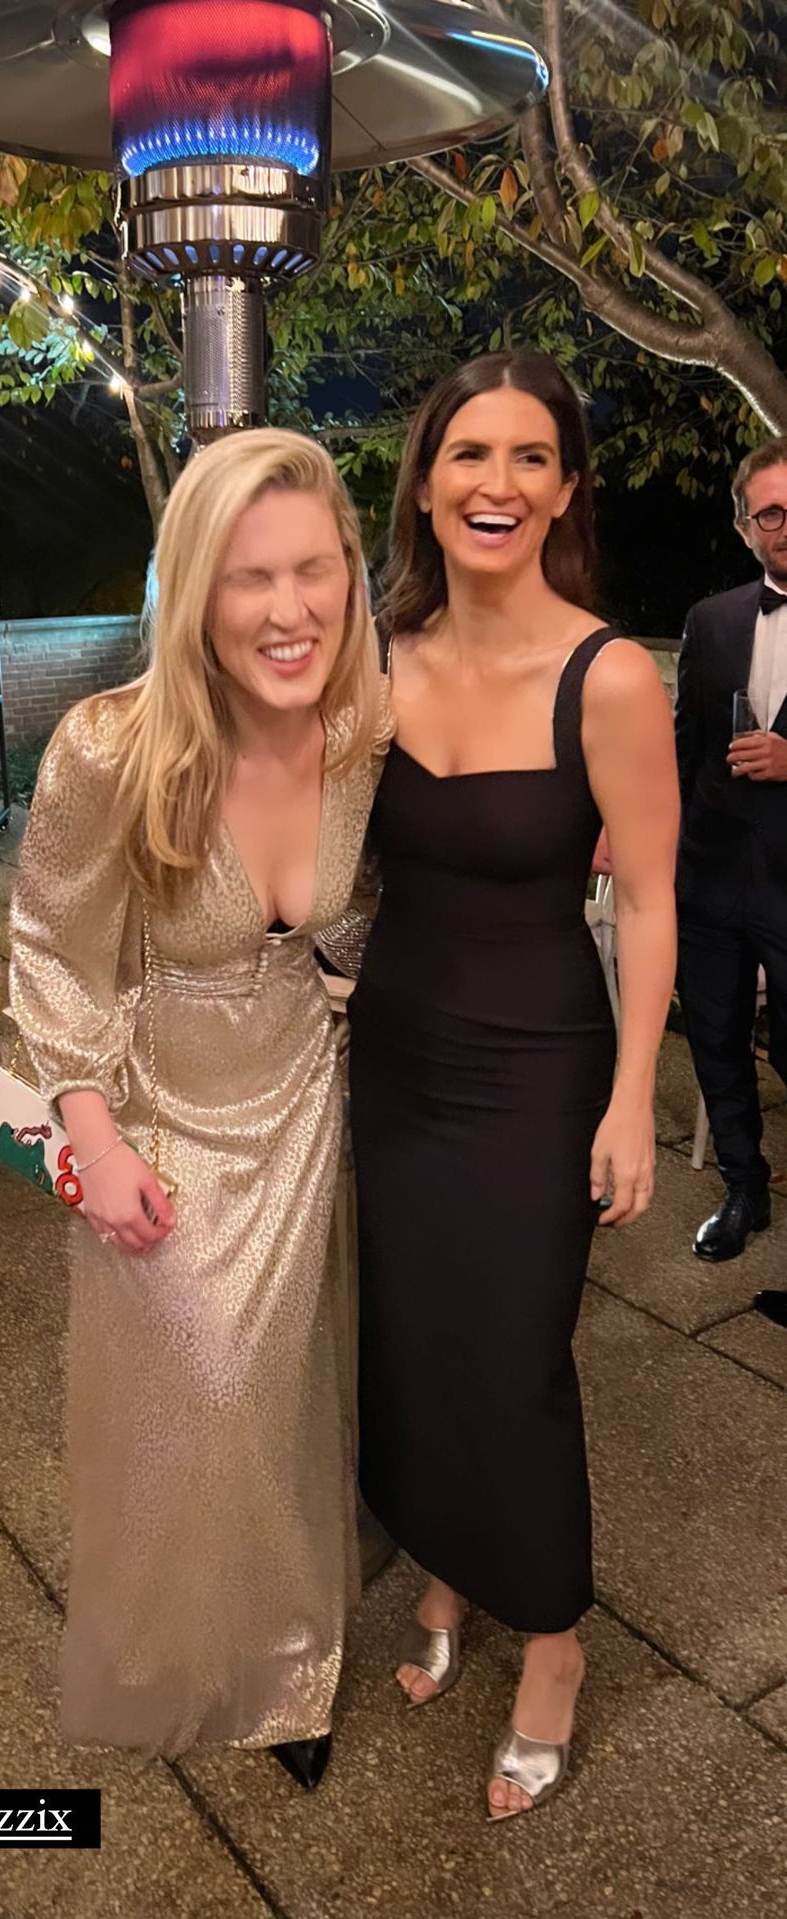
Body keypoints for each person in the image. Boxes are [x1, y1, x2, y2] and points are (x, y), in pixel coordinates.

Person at [9, 429, 383, 1784]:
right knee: (197, 1402)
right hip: (161, 1114)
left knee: (286, 1396)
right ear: (192, 588)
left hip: (307, 1099)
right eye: (246, 575)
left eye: (312, 568)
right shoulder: (112, 745)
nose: (288, 609)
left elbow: (369, 905)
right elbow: (49, 947)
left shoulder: (361, 734)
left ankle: (291, 1662)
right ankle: (195, 1637)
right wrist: (88, 1137)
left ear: (350, 573)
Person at [349, 350, 678, 1819]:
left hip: (541, 1064)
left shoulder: (611, 674)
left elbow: (651, 899)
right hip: (393, 1054)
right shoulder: (374, 653)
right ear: (425, 484)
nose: (498, 482)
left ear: (565, 489)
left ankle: (551, 1638)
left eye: (531, 456)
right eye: (469, 454)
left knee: (517, 1357)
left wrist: (632, 1096)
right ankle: (448, 1564)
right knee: (414, 1338)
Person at [675, 439, 787, 1330]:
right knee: (713, 1038)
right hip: (711, 875)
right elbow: (682, 748)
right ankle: (744, 1189)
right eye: (772, 511)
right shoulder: (710, 620)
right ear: (746, 526)